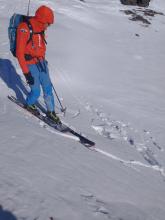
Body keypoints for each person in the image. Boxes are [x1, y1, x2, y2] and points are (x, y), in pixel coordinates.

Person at [16, 5, 61, 123]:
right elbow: (19, 53)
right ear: (42, 19)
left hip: (41, 63)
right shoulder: (24, 27)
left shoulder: (41, 28)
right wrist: (26, 74)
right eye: (48, 23)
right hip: (30, 64)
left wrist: (43, 61)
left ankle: (51, 112)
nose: (49, 26)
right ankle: (29, 104)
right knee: (36, 91)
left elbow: (40, 46)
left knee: (48, 88)